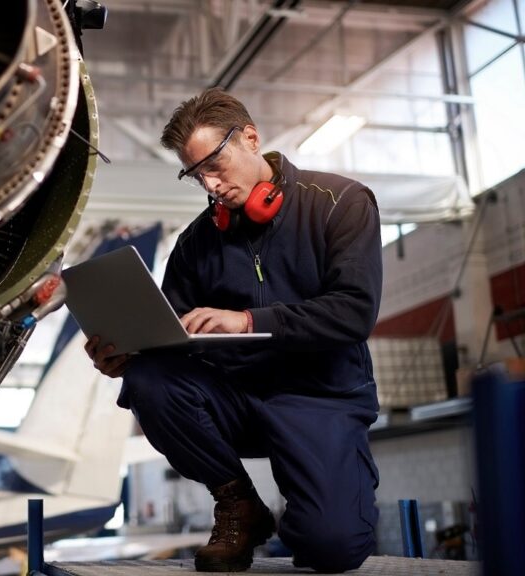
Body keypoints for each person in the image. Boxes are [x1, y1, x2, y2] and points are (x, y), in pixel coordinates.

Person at [85, 88, 382, 573]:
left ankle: (319, 501)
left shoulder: (340, 203)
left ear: (250, 138)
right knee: (149, 377)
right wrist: (125, 356)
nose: (210, 184)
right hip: (238, 399)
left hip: (320, 398)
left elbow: (353, 313)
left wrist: (248, 322)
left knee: (330, 547)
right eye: (196, 174)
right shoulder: (197, 243)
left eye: (215, 165)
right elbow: (169, 343)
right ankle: (239, 504)